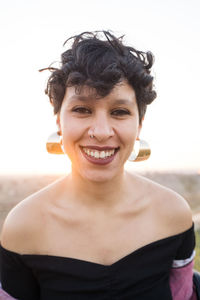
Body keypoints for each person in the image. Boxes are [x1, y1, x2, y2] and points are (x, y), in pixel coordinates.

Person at [0, 31, 197, 300]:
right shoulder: (23, 226)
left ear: (139, 124)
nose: (102, 131)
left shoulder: (174, 214)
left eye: (119, 112)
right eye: (82, 109)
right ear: (58, 120)